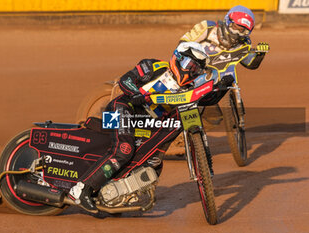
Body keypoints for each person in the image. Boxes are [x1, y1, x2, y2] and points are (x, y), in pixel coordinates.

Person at [68, 42, 210, 213]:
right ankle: (81, 190)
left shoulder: (189, 89)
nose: (190, 71)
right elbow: (125, 80)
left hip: (143, 123)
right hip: (120, 108)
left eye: (195, 69)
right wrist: (136, 93)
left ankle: (113, 196)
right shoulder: (154, 66)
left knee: (153, 163)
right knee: (124, 149)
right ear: (177, 58)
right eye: (189, 65)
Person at [180, 5, 269, 68]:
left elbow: (250, 64)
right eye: (235, 27)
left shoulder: (244, 43)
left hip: (217, 81)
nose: (237, 33)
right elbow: (183, 43)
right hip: (192, 70)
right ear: (227, 21)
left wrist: (260, 54)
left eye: (242, 30)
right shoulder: (208, 27)